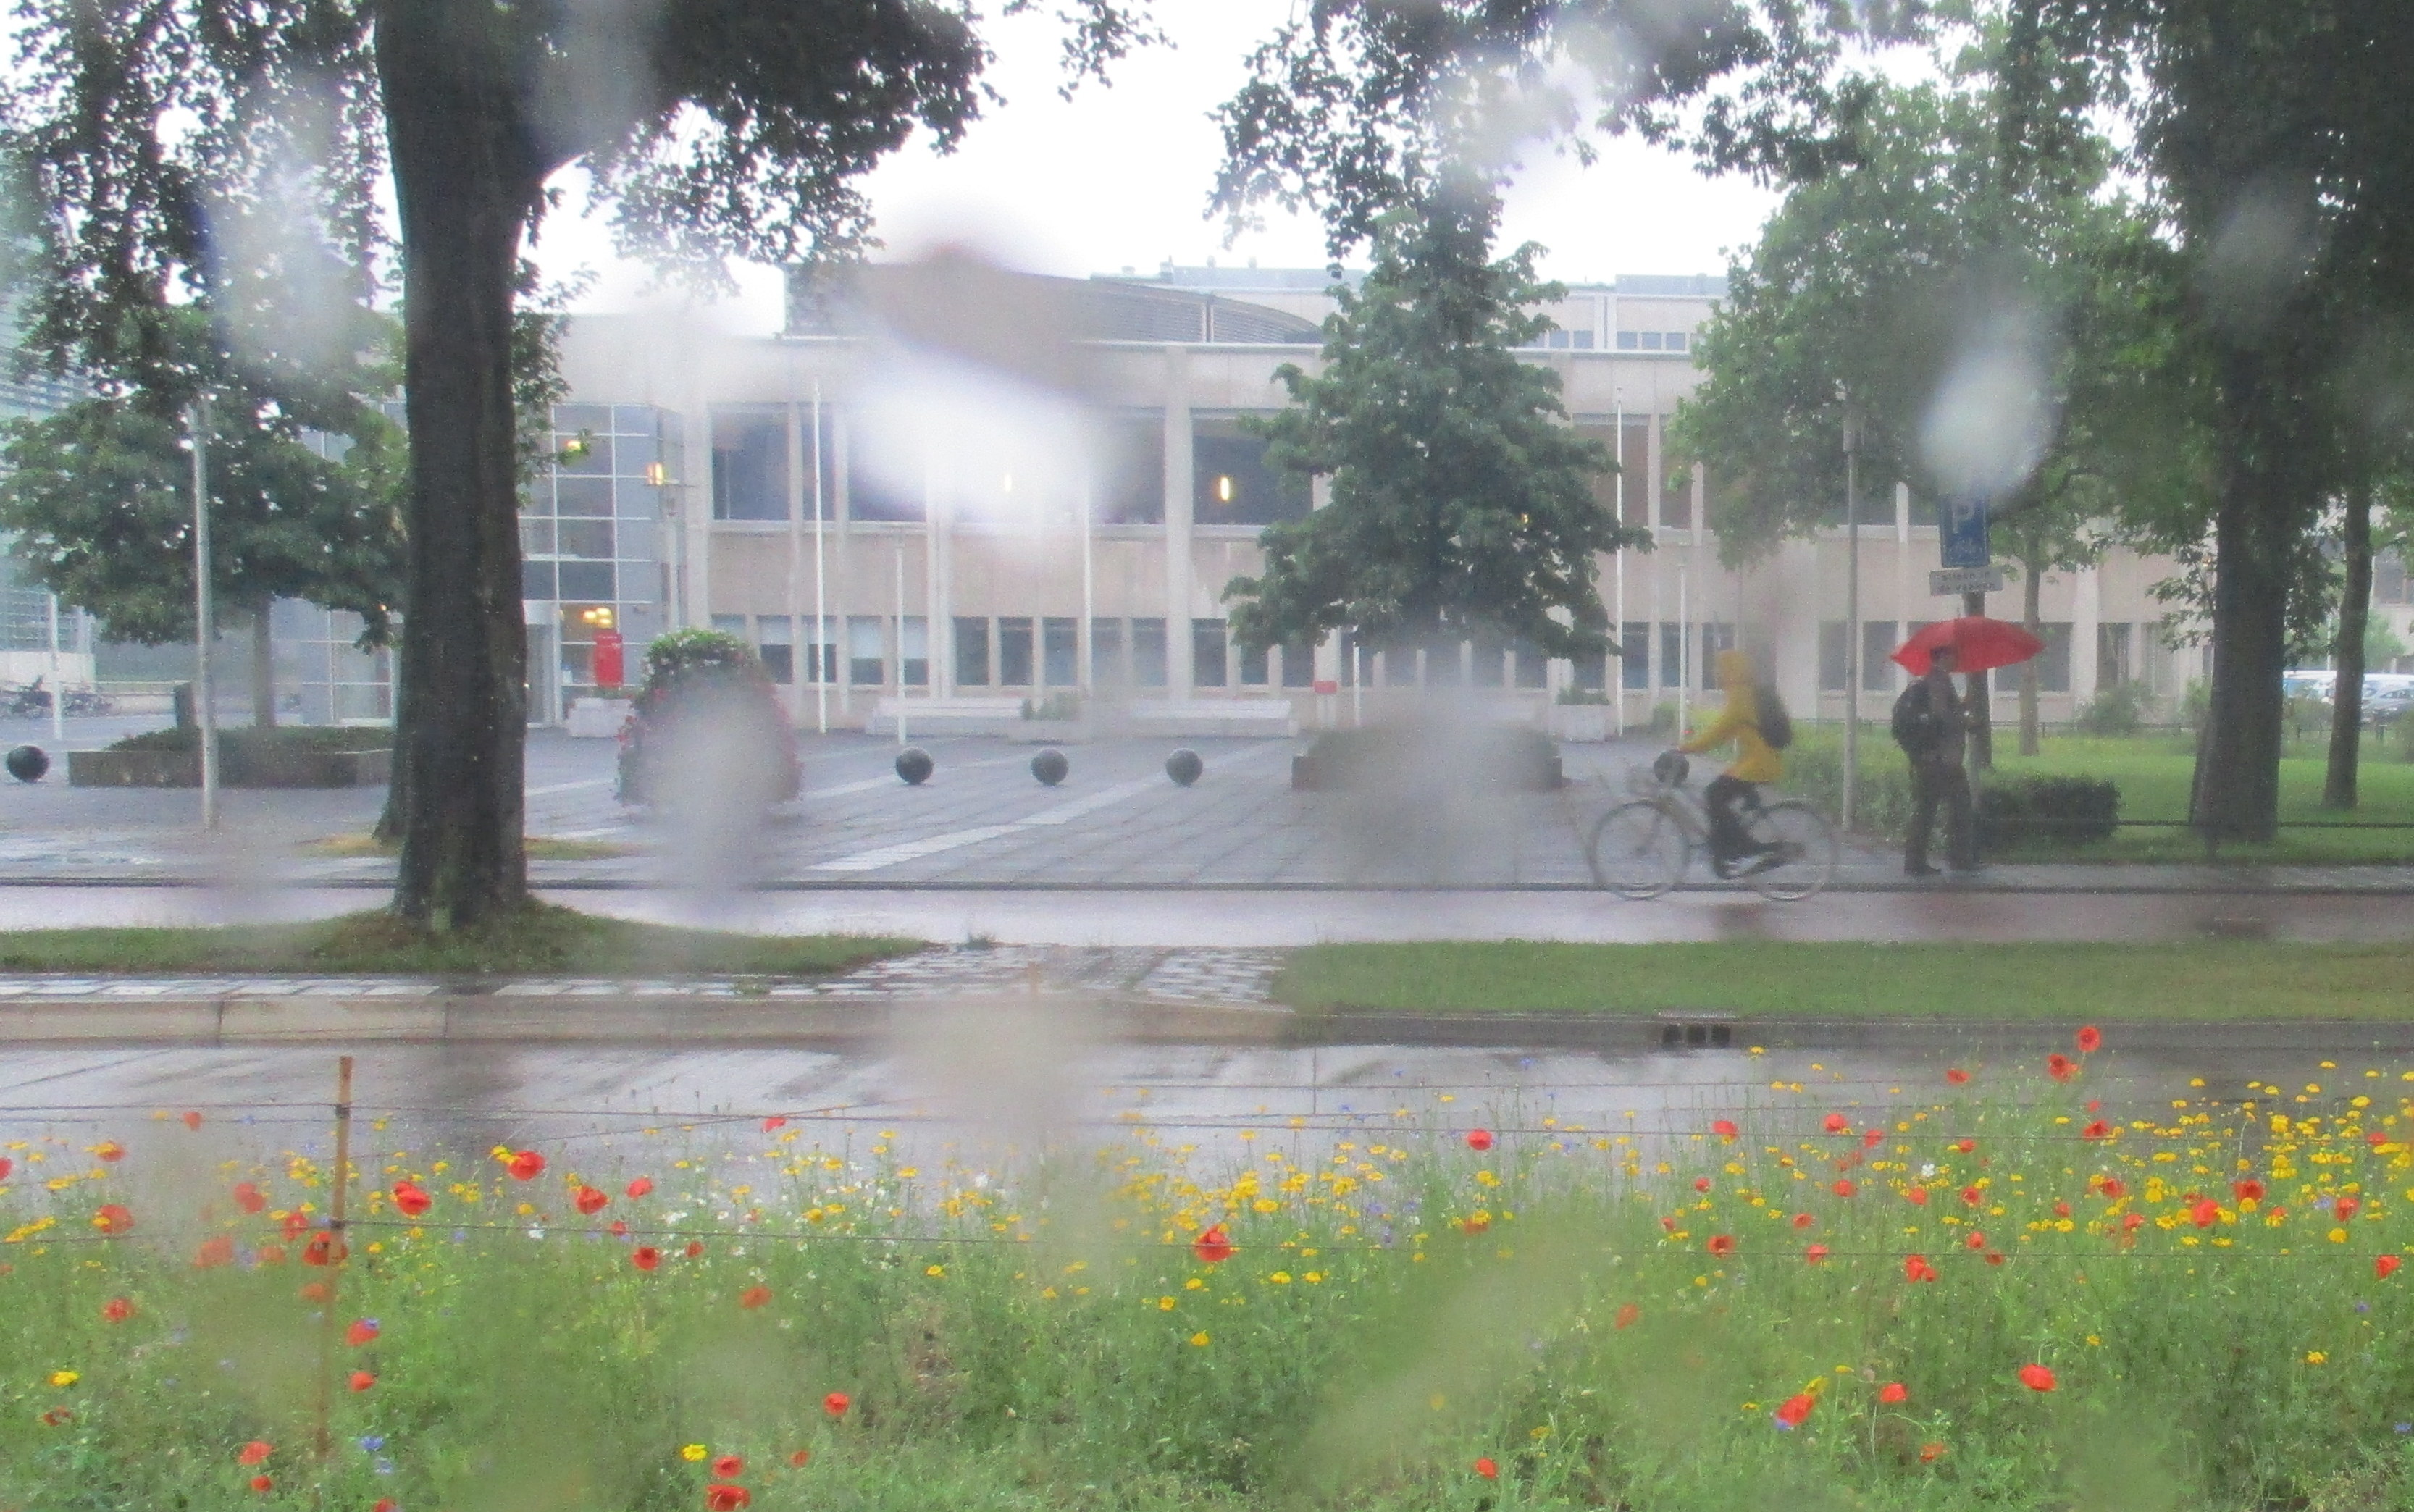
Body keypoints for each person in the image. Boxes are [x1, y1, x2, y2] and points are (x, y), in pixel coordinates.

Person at [1675, 648, 1784, 878]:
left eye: (1721, 668)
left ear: (1731, 671)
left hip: (1759, 764)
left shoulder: (1741, 697)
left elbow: (1719, 731)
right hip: (1755, 762)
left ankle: (1745, 849)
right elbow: (1725, 732)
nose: (1717, 673)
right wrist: (1694, 746)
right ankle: (1726, 850)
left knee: (1714, 795)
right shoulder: (1744, 693)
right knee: (1719, 797)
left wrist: (1687, 748)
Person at [1904, 642, 1977, 875]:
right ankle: (1959, 859)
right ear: (1943, 656)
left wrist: (1960, 706)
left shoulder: (1936, 680)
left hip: (1931, 759)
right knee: (1960, 806)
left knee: (1927, 809)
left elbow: (1942, 714)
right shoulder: (1938, 682)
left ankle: (1916, 863)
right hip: (1942, 760)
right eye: (1954, 654)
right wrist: (1966, 720)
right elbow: (1941, 718)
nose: (1956, 659)